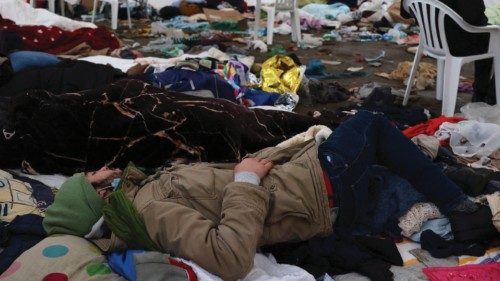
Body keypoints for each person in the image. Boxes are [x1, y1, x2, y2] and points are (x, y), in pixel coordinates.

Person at [42, 111, 483, 280]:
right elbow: (229, 256)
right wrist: (247, 182)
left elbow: (227, 181)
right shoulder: (149, 212)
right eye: (93, 177)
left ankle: (464, 198)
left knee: (396, 173)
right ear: (98, 195)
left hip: (301, 183)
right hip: (312, 194)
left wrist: (286, 148)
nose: (101, 170)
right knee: (370, 123)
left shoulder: (140, 196)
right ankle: (463, 211)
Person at [400, 0, 497, 104]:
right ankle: (491, 96)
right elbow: (474, 17)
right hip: (456, 44)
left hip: (431, 40)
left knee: (488, 36)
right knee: (492, 36)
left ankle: (481, 92)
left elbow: (405, 12)